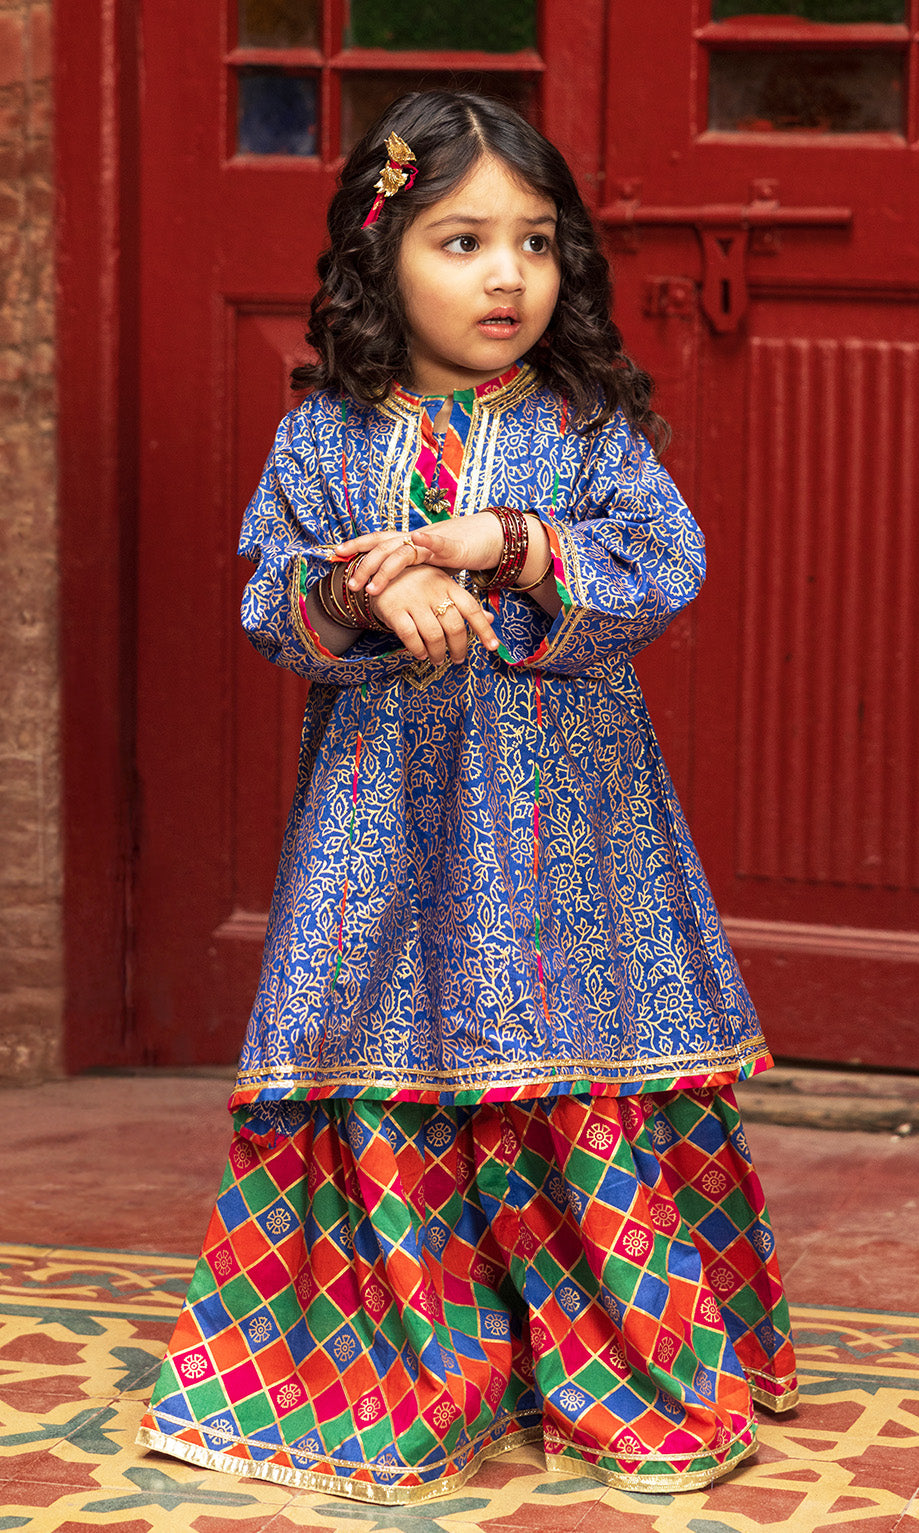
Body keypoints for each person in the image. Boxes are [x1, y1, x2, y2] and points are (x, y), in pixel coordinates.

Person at [137, 90, 797, 1505]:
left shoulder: (585, 430)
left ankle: (619, 1359)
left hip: (569, 836)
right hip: (383, 833)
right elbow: (268, 597)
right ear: (379, 260)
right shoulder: (324, 440)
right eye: (462, 241)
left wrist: (501, 542)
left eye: (537, 242)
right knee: (385, 1044)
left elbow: (666, 565)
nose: (509, 276)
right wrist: (371, 589)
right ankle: (416, 1356)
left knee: (564, 1050)